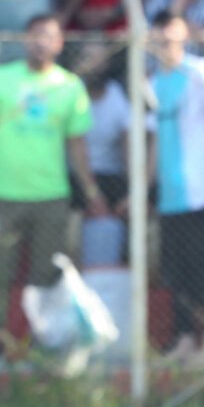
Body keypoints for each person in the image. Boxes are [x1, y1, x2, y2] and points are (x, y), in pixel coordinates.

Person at [0, 15, 105, 361]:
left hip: (52, 196)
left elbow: (77, 145)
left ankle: (45, 342)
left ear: (59, 44)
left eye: (49, 36)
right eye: (35, 35)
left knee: (46, 275)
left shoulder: (70, 86)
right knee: (0, 271)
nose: (41, 42)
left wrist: (90, 190)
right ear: (25, 39)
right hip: (6, 195)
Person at [145, 12, 204, 364]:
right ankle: (184, 340)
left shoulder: (200, 72)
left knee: (203, 269)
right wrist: (144, 187)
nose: (166, 39)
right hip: (171, 195)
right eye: (160, 33)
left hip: (202, 189)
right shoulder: (154, 81)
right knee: (177, 271)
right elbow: (155, 141)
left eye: (172, 32)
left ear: (184, 35)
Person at [69, 38, 130, 268]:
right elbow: (75, 146)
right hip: (74, 176)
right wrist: (92, 193)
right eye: (87, 58)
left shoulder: (118, 95)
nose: (93, 65)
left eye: (99, 59)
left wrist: (132, 192)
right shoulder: (69, 92)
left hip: (111, 176)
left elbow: (128, 146)